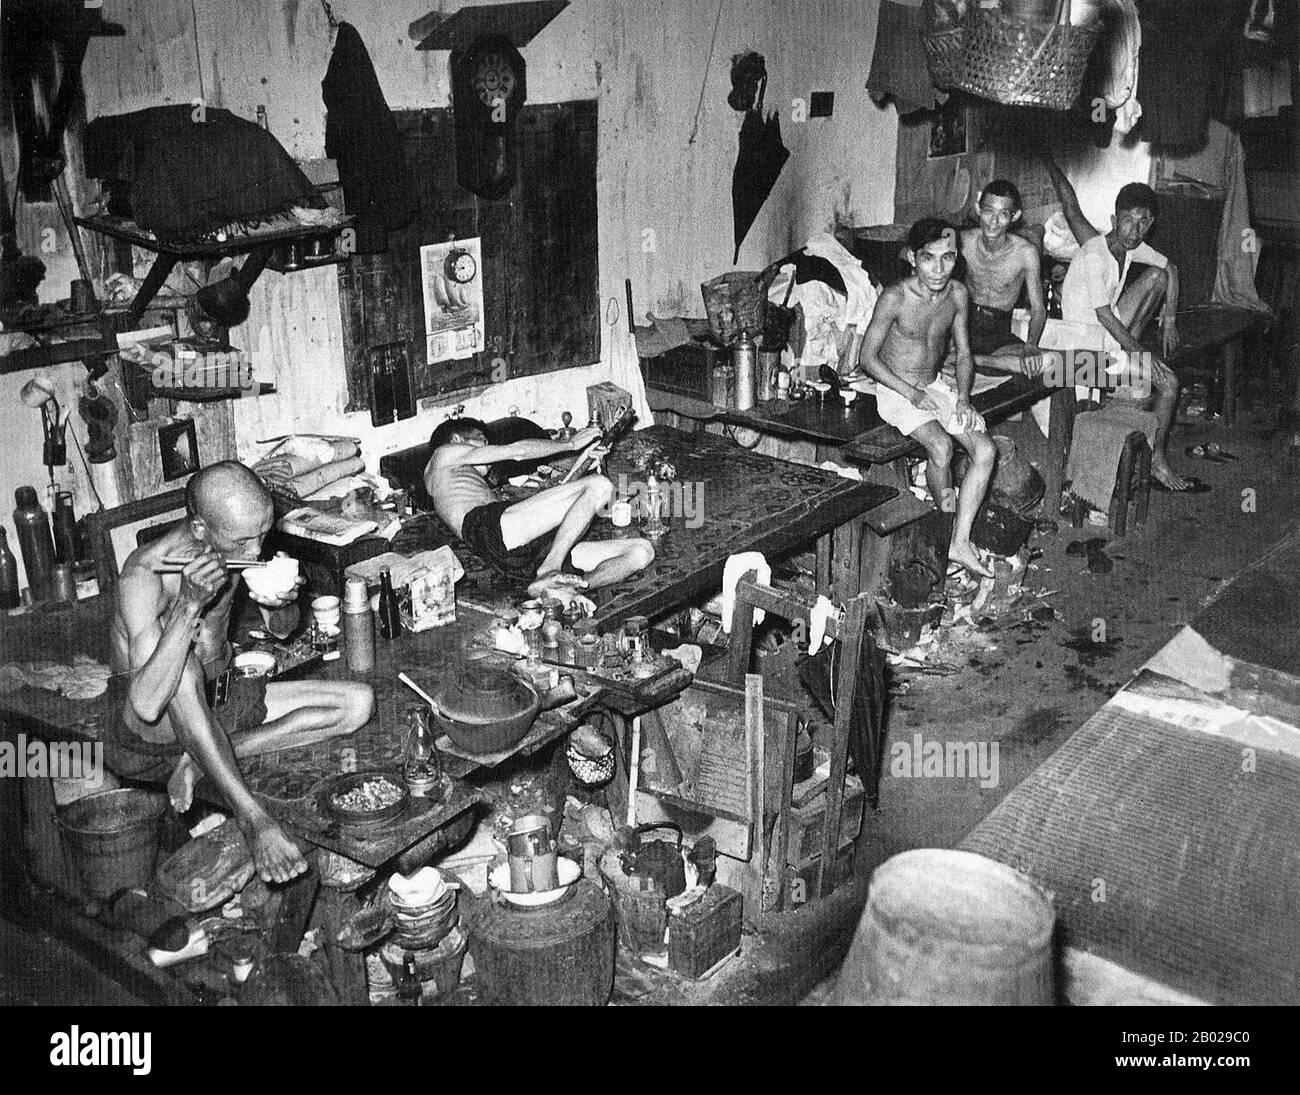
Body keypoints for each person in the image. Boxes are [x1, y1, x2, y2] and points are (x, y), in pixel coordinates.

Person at [105, 462, 374, 883]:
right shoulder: (146, 575)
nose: (254, 551)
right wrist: (189, 607)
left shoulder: (231, 550)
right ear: (199, 528)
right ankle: (253, 820)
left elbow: (283, 631)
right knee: (185, 667)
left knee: (359, 703)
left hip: (220, 701)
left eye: (262, 534)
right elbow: (147, 703)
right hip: (151, 737)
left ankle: (201, 760)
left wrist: (281, 602)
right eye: (243, 540)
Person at [860, 218, 998, 578]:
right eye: (928, 258)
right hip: (896, 391)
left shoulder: (957, 295)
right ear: (912, 258)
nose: (938, 269)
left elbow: (964, 353)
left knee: (985, 451)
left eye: (947, 258)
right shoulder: (895, 297)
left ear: (957, 259)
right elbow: (867, 358)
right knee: (942, 448)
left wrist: (965, 398)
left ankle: (959, 541)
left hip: (935, 387)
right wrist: (910, 393)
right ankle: (944, 518)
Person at [1052, 167, 1189, 490]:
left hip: (1107, 340)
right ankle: (1155, 460)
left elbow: (1170, 267)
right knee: (1168, 383)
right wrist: (1142, 354)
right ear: (1114, 220)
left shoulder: (1129, 246)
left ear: (1150, 224)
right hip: (1080, 350)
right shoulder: (1094, 256)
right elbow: (1105, 317)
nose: (1134, 229)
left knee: (1159, 277)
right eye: (1128, 219)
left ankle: (1149, 454)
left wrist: (1169, 318)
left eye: (1143, 222)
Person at [423, 418, 655, 602]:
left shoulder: (464, 483)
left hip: (517, 553)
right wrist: (570, 444)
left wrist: (584, 460)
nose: (488, 449)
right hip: (489, 528)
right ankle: (550, 569)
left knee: (642, 551)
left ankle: (563, 587)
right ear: (456, 438)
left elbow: (560, 505)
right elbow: (517, 451)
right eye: (482, 440)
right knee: (601, 487)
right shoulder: (443, 454)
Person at [960, 180, 1047, 377]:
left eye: (1003, 214)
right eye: (989, 211)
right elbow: (929, 247)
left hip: (998, 333)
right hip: (963, 325)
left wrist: (1031, 344)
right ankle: (968, 358)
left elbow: (1038, 308)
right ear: (978, 209)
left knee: (1046, 365)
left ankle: (975, 360)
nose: (994, 221)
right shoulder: (962, 241)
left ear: (1015, 216)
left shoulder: (1026, 253)